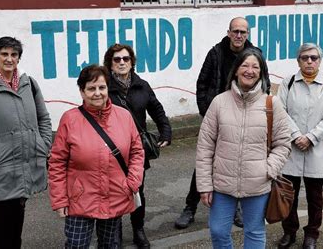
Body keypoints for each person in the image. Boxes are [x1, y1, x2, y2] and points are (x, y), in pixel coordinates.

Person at [175, 17, 268, 229]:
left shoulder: (255, 55)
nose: (238, 35)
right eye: (235, 31)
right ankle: (190, 207)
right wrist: (207, 112)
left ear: (247, 34)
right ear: (228, 33)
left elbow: (265, 85)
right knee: (205, 163)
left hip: (245, 118)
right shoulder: (216, 53)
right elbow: (202, 83)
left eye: (243, 32)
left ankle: (236, 208)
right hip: (218, 117)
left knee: (239, 164)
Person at [196, 48, 291, 248]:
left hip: (257, 183)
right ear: (236, 70)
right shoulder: (219, 102)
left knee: (254, 232)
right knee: (219, 231)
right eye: (245, 65)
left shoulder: (272, 104)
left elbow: (283, 143)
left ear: (261, 72)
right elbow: (205, 146)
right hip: (222, 183)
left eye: (255, 67)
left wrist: (268, 169)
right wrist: (204, 184)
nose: (250, 70)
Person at [0, 36, 52, 248]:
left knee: (17, 220)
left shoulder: (28, 83)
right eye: (4, 54)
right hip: (1, 168)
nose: (9, 59)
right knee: (4, 224)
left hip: (26, 165)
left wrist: (44, 144)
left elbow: (44, 118)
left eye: (14, 54)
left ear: (19, 58)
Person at [48, 64, 145, 248]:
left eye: (102, 87)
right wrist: (59, 199)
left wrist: (132, 182)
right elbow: (57, 163)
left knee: (110, 245)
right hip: (80, 198)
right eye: (91, 88)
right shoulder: (70, 119)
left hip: (116, 194)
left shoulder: (124, 116)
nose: (97, 93)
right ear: (82, 92)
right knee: (76, 245)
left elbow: (137, 151)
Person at [104, 43, 172, 248]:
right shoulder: (103, 87)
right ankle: (113, 231)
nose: (122, 62)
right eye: (117, 59)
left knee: (137, 191)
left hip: (136, 150)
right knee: (112, 192)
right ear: (110, 64)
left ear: (132, 62)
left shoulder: (142, 85)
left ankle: (138, 230)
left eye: (126, 59)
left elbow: (157, 110)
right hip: (110, 150)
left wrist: (166, 131)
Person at [276, 43, 323, 249]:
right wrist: (296, 136)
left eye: (314, 57)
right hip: (291, 147)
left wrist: (310, 137)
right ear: (298, 61)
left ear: (319, 61)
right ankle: (289, 231)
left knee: (315, 196)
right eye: (305, 58)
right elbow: (281, 111)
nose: (309, 61)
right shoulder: (288, 83)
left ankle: (312, 234)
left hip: (316, 148)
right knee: (288, 194)